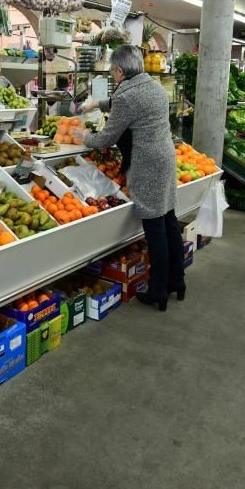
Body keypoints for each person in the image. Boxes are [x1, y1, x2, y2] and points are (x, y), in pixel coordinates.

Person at [80, 45, 181, 312]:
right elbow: (127, 104)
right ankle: (176, 280)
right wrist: (97, 103)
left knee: (154, 227)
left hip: (147, 163)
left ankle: (158, 289)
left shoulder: (126, 96)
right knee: (169, 219)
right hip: (165, 157)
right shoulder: (153, 86)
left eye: (113, 71)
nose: (113, 76)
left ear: (121, 71)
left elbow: (107, 138)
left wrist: (82, 137)